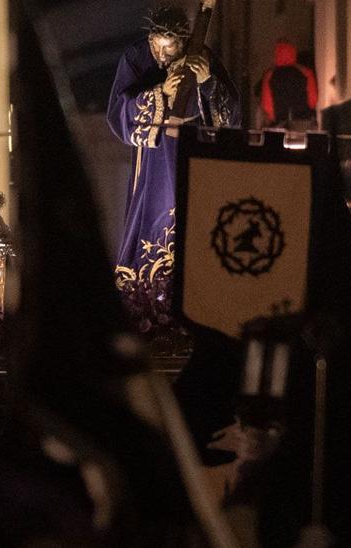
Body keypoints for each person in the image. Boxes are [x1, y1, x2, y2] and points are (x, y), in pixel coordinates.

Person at [107, 5, 240, 330]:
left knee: (196, 223)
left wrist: (208, 82)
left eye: (172, 47)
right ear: (151, 39)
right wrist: (159, 94)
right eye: (159, 46)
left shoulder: (201, 56)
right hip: (154, 160)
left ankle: (198, 309)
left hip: (193, 155)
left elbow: (231, 119)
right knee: (153, 221)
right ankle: (147, 309)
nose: (164, 55)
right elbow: (118, 113)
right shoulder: (136, 58)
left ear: (183, 42)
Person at [259, 39, 317, 130]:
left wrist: (274, 117)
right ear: (293, 52)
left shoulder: (269, 75)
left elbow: (267, 105)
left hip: (280, 123)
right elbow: (313, 100)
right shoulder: (306, 72)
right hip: (303, 122)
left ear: (276, 54)